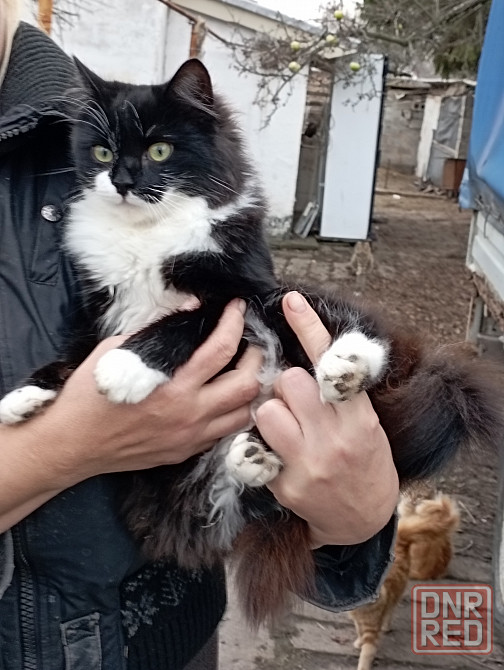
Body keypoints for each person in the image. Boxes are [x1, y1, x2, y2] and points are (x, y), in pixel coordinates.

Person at [0, 6, 399, 670]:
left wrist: (353, 523)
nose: (125, 173)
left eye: (154, 153)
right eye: (107, 157)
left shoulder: (89, 129)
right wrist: (62, 448)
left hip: (158, 640)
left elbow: (255, 341)